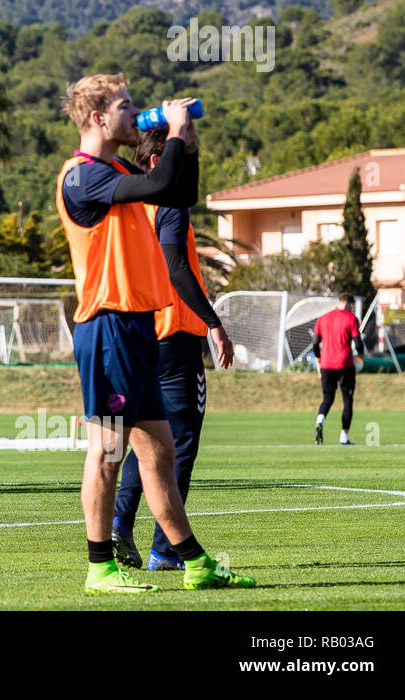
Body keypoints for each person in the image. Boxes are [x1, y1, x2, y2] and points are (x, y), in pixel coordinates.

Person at [57, 73, 253, 592]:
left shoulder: (118, 167)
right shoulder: (81, 176)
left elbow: (177, 189)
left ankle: (194, 563)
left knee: (159, 451)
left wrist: (181, 143)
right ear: (99, 117)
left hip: (139, 325)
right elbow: (161, 184)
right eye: (126, 106)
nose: (134, 112)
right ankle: (100, 566)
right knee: (107, 449)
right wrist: (174, 130)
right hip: (108, 325)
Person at [111, 126, 236, 570]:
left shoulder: (127, 204)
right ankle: (166, 550)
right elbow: (178, 269)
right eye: (177, 160)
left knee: (145, 438)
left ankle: (119, 523)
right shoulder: (169, 204)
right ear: (155, 163)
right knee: (180, 443)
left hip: (140, 333)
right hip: (176, 337)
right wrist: (214, 323)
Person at [313, 294, 363, 446]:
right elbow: (359, 344)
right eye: (352, 306)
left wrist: (319, 358)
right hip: (345, 364)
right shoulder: (351, 319)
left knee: (328, 398)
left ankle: (320, 421)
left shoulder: (322, 318)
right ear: (349, 304)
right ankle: (344, 437)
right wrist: (360, 356)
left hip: (326, 364)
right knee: (347, 400)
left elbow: (315, 343)